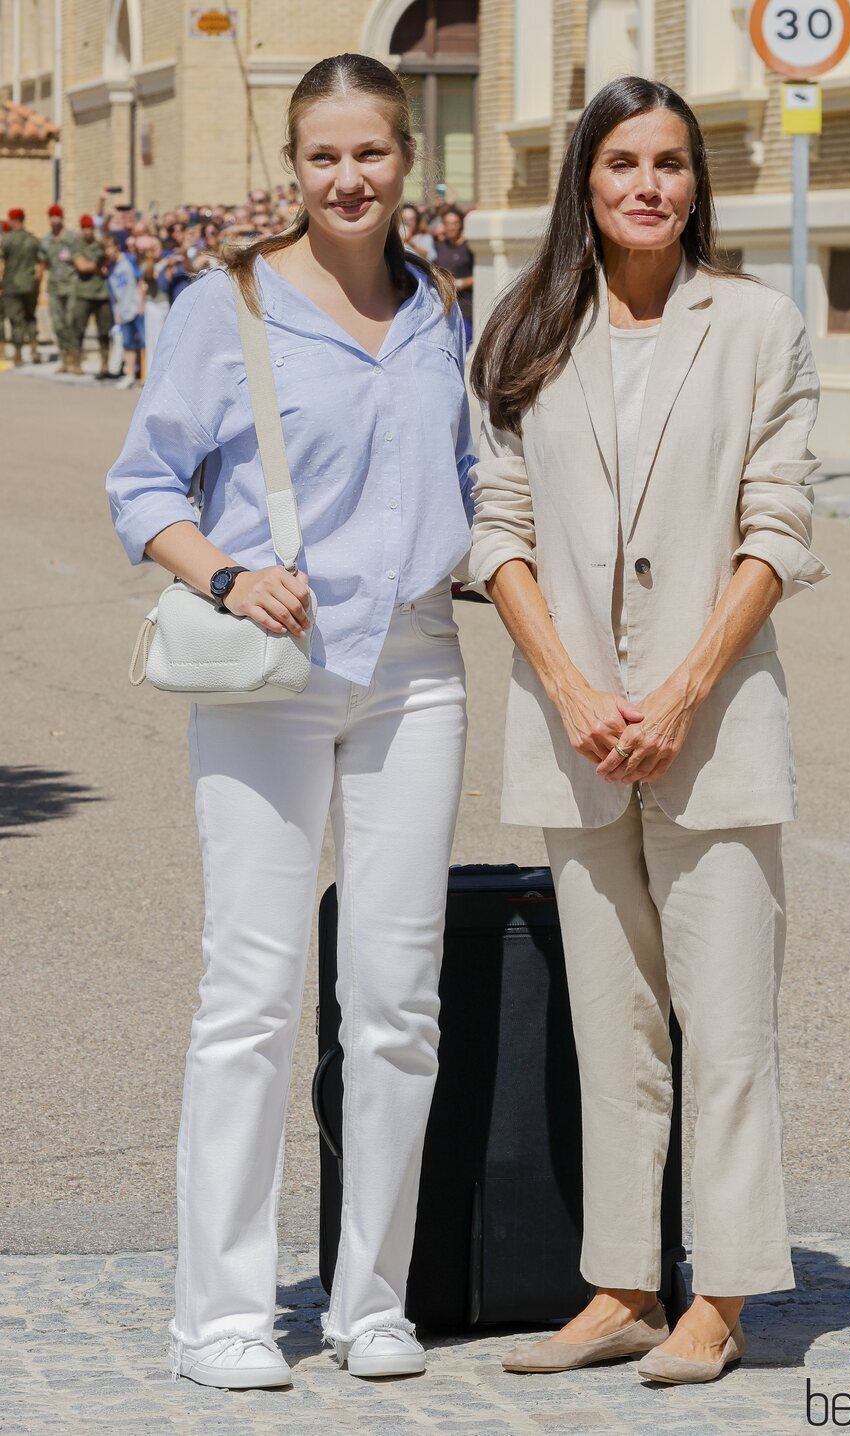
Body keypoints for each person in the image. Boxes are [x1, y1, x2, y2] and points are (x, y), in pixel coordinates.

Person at [106, 51, 473, 1390]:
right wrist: (223, 570)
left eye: (370, 151)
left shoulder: (442, 309)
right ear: (293, 166)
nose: (348, 177)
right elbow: (143, 485)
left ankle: (372, 1299)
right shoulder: (227, 304)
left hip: (418, 668)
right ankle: (222, 1316)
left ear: (403, 159)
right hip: (270, 669)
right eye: (323, 154)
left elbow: (470, 479)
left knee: (395, 1000)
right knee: (253, 994)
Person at [468, 76, 828, 1385]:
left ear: (696, 181)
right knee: (609, 1027)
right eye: (624, 161)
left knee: (725, 1029)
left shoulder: (759, 326)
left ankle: (720, 1296)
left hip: (714, 730)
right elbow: (498, 531)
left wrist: (676, 691)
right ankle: (621, 1284)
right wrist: (571, 687)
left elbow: (777, 529)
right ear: (587, 178)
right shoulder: (520, 332)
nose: (649, 186)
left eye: (671, 164)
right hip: (573, 733)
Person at [68, 215, 112, 377]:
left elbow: (109, 251)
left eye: (90, 228)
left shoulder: (100, 244)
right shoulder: (77, 245)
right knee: (78, 329)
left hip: (102, 294)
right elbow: (82, 266)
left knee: (104, 331)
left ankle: (105, 365)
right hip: (83, 294)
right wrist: (98, 264)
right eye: (84, 228)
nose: (87, 232)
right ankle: (76, 363)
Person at [0, 208, 42, 366]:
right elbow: (41, 264)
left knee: (16, 320)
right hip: (30, 285)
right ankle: (34, 350)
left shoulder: (7, 239)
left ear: (12, 220)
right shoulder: (33, 240)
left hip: (12, 286)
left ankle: (18, 355)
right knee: (30, 317)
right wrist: (38, 282)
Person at [38, 205, 77, 371]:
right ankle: (64, 359)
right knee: (58, 324)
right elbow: (42, 263)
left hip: (71, 286)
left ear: (62, 218)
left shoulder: (72, 238)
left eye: (57, 216)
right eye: (52, 217)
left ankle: (75, 360)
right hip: (54, 287)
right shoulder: (46, 241)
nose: (55, 220)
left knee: (71, 322)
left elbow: (80, 258)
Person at [104, 236, 144, 388]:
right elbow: (113, 296)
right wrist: (116, 314)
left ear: (116, 247)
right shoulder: (110, 270)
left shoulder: (129, 260)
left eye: (110, 248)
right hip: (123, 310)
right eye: (105, 249)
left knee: (143, 342)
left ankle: (144, 375)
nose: (108, 252)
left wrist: (141, 304)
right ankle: (130, 374)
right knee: (127, 344)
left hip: (136, 307)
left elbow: (140, 283)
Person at [433, 207, 474, 348]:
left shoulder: (470, 247)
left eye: (455, 223)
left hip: (466, 309)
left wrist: (460, 283)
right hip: (444, 310)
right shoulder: (438, 247)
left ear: (461, 225)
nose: (451, 227)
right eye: (447, 223)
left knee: (464, 348)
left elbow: (479, 276)